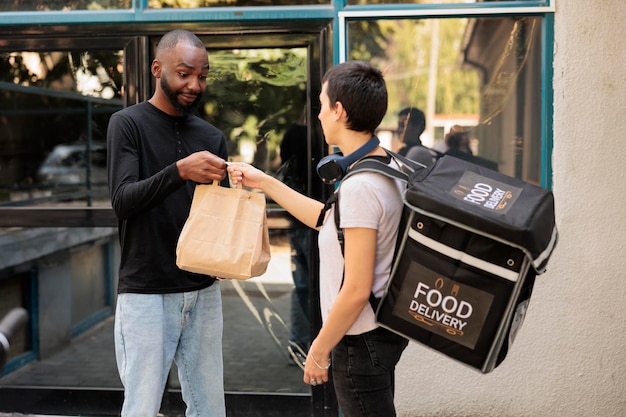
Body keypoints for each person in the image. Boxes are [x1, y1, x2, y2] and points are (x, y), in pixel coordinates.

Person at [228, 60, 408, 417]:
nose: (320, 114)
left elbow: (356, 288)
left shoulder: (361, 186)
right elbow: (327, 220)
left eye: (323, 105)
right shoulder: (385, 165)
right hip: (377, 335)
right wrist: (262, 181)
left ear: (339, 111)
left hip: (358, 341)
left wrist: (320, 349)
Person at [107, 29, 228, 417]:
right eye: (185, 73)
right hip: (145, 294)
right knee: (141, 409)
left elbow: (216, 213)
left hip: (203, 292)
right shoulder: (127, 124)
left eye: (203, 76)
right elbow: (123, 201)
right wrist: (179, 171)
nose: (195, 85)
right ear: (158, 68)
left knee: (210, 409)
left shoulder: (212, 137)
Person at [278, 107, 312, 358]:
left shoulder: (290, 135)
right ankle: (311, 345)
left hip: (295, 218)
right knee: (315, 284)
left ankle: (299, 344)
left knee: (301, 283)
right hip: (313, 221)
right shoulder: (318, 137)